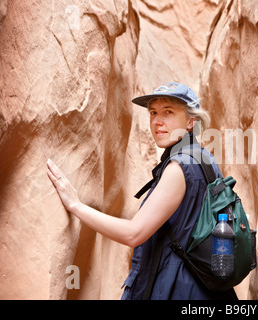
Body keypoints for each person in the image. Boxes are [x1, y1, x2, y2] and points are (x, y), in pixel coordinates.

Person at [47, 82, 238, 300]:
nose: (157, 121)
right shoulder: (204, 158)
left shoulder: (180, 168)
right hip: (200, 288)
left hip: (178, 290)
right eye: (153, 113)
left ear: (190, 122)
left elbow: (133, 233)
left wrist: (75, 206)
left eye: (168, 112)